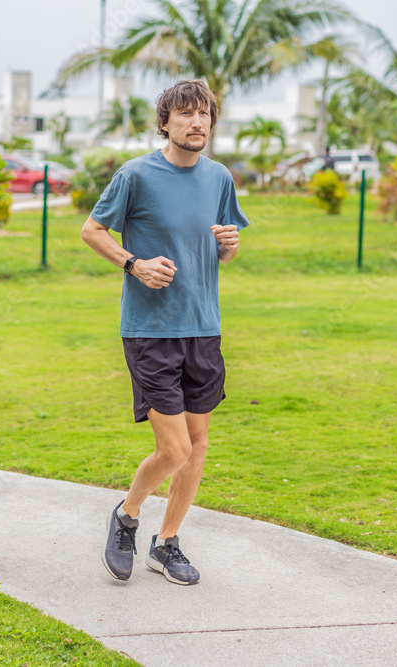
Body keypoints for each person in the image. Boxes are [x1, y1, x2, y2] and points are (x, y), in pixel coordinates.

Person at [81, 80, 249, 586]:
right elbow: (92, 230)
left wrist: (229, 244)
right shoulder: (136, 175)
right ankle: (127, 516)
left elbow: (222, 250)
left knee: (197, 445)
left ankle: (167, 542)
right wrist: (134, 264)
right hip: (150, 330)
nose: (197, 123)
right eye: (186, 114)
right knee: (174, 450)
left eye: (205, 115)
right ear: (165, 122)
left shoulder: (219, 178)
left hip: (203, 327)